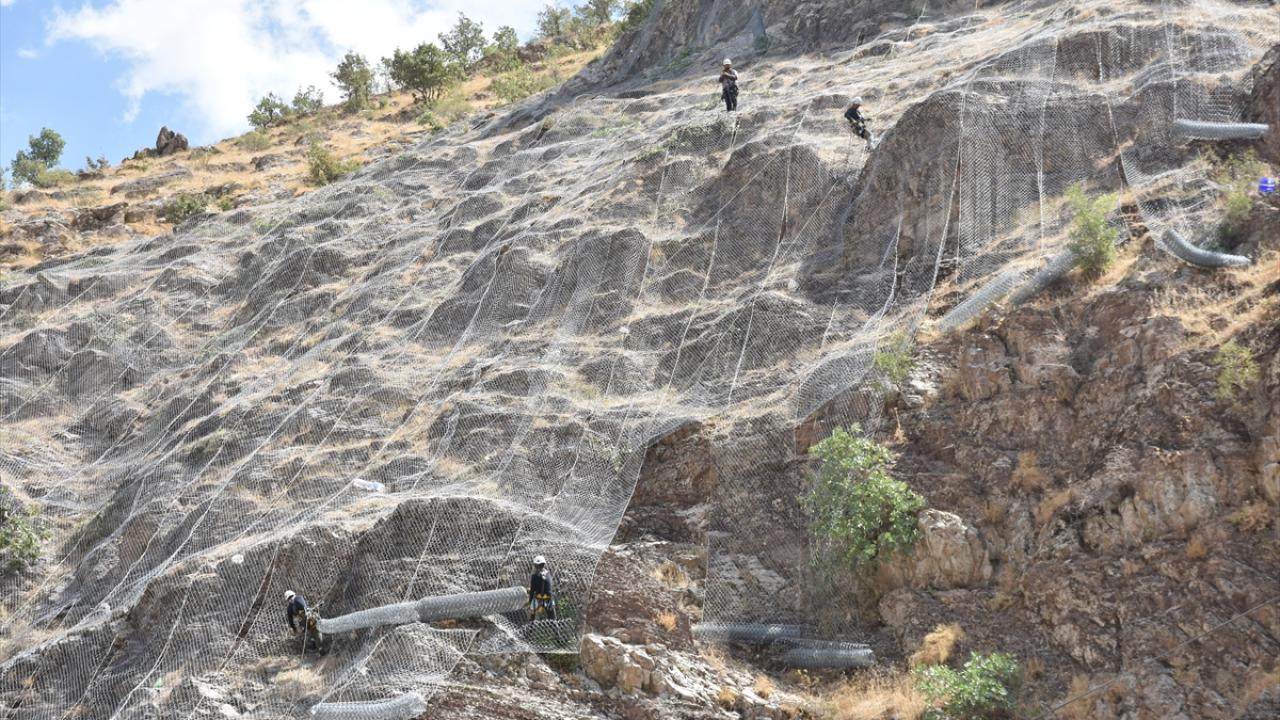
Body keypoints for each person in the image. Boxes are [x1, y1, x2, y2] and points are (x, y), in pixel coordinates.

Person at [528, 556, 556, 620]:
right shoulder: (548, 574)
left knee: (532, 614)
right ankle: (554, 624)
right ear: (544, 564)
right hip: (549, 598)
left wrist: (530, 602)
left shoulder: (534, 576)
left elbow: (532, 590)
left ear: (535, 565)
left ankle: (531, 623)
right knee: (552, 618)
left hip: (538, 598)